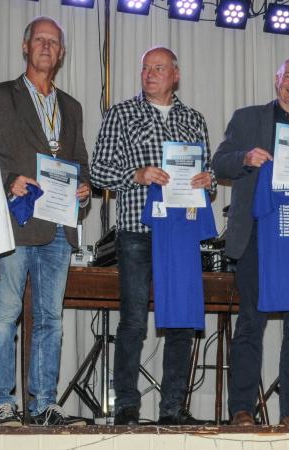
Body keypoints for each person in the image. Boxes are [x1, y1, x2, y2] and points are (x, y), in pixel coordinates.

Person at [0, 16, 90, 427]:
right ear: (25, 47)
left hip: (58, 226)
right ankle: (1, 404)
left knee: (50, 320)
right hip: (16, 221)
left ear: (62, 53)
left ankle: (43, 405)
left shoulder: (71, 107)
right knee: (5, 314)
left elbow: (79, 161)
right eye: (39, 40)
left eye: (53, 42)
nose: (46, 47)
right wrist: (8, 180)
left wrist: (84, 188)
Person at [212, 57, 289, 428]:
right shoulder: (247, 118)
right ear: (276, 80)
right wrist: (246, 157)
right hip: (257, 236)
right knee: (251, 323)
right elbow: (219, 164)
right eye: (288, 76)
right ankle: (241, 410)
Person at [90, 46, 214, 425]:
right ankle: (126, 406)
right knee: (132, 320)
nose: (150, 73)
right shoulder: (121, 113)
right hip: (137, 231)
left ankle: (173, 409)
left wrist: (207, 181)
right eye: (145, 68)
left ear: (176, 75)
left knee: (182, 321)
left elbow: (206, 177)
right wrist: (137, 175)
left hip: (181, 233)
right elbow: (97, 171)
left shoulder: (194, 119)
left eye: (158, 68)